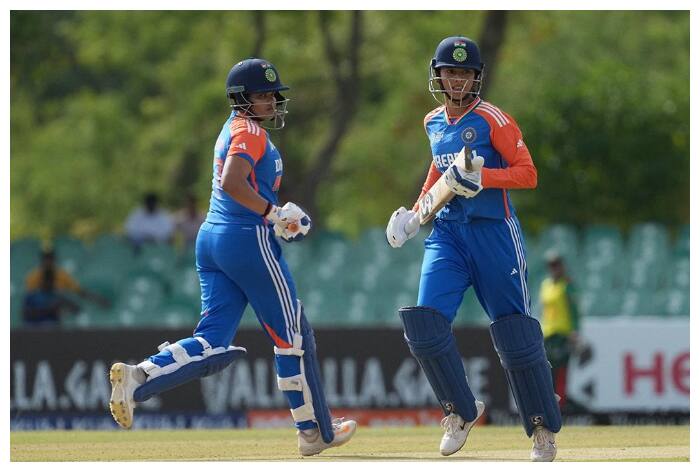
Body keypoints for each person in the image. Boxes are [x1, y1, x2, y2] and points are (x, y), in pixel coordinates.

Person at [108, 57, 356, 456]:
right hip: (246, 240)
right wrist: (273, 214)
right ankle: (314, 432)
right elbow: (232, 182)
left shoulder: (232, 128)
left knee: (212, 341)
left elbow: (236, 185)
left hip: (213, 238)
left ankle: (140, 375)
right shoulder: (250, 131)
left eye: (274, 94)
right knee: (292, 337)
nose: (273, 101)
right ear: (242, 98)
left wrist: (274, 215)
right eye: (263, 95)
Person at [386, 36, 561, 461]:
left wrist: (485, 179)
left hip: (493, 232)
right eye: (451, 71)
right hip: (446, 234)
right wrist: (416, 213)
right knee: (425, 323)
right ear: (439, 76)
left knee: (515, 330)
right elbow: (439, 166)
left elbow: (528, 173)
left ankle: (541, 427)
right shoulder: (431, 121)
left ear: (476, 76)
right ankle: (459, 413)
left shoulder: (493, 119)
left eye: (465, 72)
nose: (458, 79)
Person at [23, 248, 110, 327]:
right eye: (46, 260)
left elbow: (80, 292)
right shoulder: (33, 277)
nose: (48, 263)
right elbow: (29, 304)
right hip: (37, 317)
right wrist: (48, 307)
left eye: (50, 260)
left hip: (55, 313)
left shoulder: (61, 274)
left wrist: (97, 299)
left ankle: (81, 320)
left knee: (63, 299)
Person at [539, 250, 581, 413]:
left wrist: (575, 331)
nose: (554, 268)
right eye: (551, 265)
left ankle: (560, 405)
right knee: (548, 370)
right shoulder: (546, 285)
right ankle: (550, 404)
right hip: (548, 333)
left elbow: (574, 310)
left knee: (562, 370)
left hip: (563, 334)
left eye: (557, 264)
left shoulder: (567, 285)